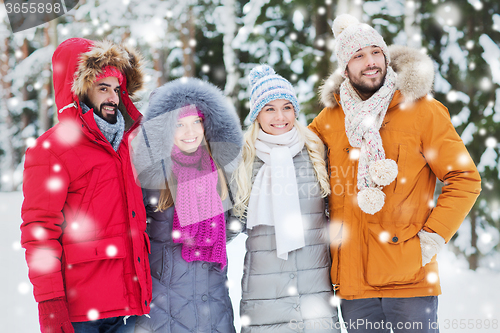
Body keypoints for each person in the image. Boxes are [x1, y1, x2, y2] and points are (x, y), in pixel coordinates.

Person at [308, 14, 482, 333]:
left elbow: (465, 178)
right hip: (353, 285)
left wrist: (430, 239)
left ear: (386, 56)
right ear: (344, 68)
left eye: (376, 52)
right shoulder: (330, 119)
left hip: (409, 281)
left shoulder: (423, 111)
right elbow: (292, 152)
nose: (370, 62)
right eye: (358, 56)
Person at [20, 38, 152, 333]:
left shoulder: (127, 144)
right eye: (102, 88)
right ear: (79, 90)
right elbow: (39, 231)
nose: (113, 98)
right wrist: (50, 303)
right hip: (80, 314)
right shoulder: (51, 149)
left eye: (117, 89)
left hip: (125, 307)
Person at [232, 65, 340, 332]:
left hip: (315, 290)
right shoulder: (242, 159)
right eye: (269, 108)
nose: (280, 116)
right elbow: (227, 226)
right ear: (256, 115)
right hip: (264, 295)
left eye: (287, 107)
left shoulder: (315, 151)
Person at [132, 78, 243, 333]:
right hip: (165, 311)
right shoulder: (151, 177)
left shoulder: (218, 170)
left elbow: (233, 226)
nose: (190, 132)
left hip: (213, 307)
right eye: (178, 124)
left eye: (196, 122)